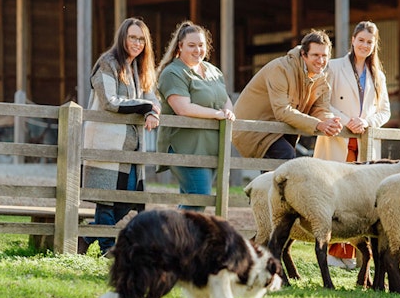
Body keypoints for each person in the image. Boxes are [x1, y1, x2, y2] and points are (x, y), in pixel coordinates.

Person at [314, 21, 391, 268]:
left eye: (370, 42)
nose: (365, 45)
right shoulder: (334, 67)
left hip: (363, 142)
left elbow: (384, 111)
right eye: (361, 40)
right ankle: (331, 251)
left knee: (360, 199)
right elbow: (323, 102)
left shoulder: (378, 75)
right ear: (353, 40)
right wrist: (348, 122)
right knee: (335, 194)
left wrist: (366, 122)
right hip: (338, 137)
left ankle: (349, 254)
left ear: (374, 44)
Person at [81, 18, 160, 255]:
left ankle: (86, 237)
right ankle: (108, 249)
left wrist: (152, 109)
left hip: (131, 147)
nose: (137, 43)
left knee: (129, 197)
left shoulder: (139, 67)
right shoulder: (108, 63)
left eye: (141, 39)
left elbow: (152, 98)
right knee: (106, 198)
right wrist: (145, 107)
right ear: (122, 38)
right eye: (132, 37)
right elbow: (110, 101)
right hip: (106, 143)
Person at [156, 21, 236, 212]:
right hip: (185, 147)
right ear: (180, 46)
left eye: (201, 45)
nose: (197, 50)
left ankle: (179, 239)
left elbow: (225, 100)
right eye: (191, 45)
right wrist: (217, 115)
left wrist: (228, 113)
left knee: (193, 200)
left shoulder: (213, 71)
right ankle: (177, 237)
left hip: (211, 147)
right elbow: (183, 108)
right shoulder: (173, 73)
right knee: (200, 197)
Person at [232, 29, 341, 161]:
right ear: (304, 54)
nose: (321, 60)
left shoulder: (325, 75)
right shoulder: (280, 69)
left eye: (324, 56)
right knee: (286, 157)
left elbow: (320, 108)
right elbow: (282, 111)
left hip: (283, 130)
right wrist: (318, 125)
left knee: (278, 174)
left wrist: (329, 121)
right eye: (315, 55)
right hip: (254, 129)